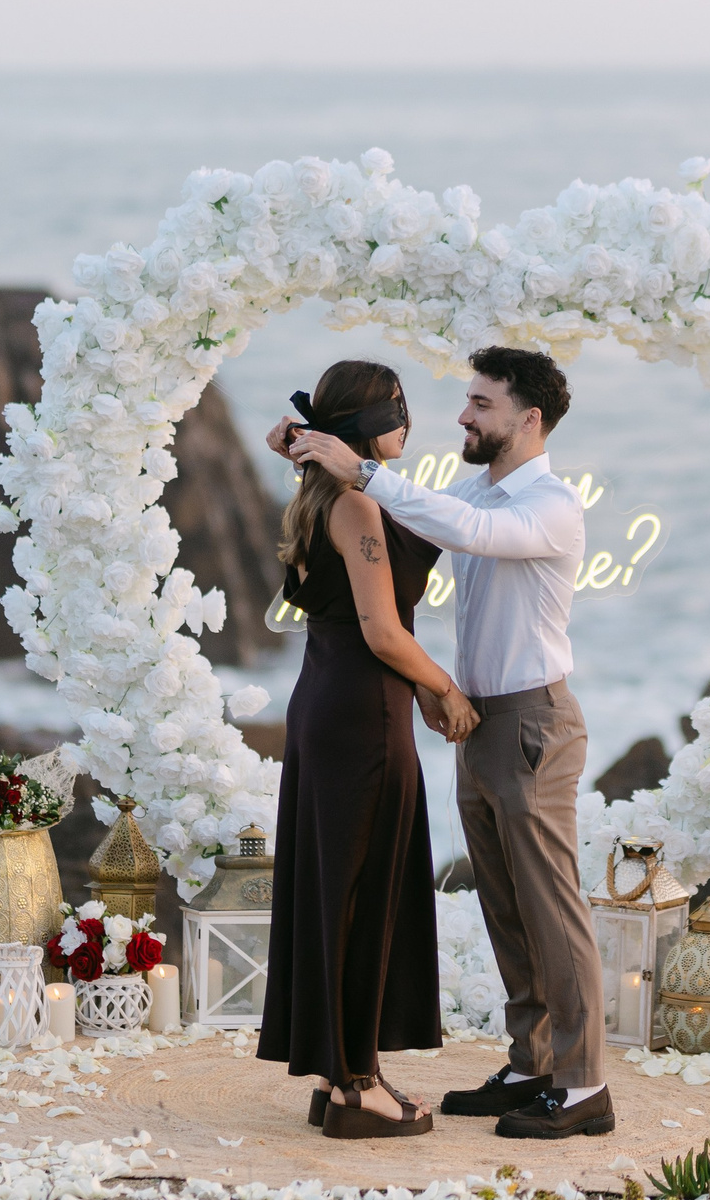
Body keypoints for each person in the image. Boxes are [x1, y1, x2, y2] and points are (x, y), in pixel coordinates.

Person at [279, 346, 614, 1139]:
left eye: (481, 404)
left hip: (532, 721)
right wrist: (309, 448)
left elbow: (463, 529)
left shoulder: (551, 504)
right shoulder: (477, 490)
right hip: (477, 722)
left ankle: (584, 1085)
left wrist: (361, 469)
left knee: (552, 907)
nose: (462, 415)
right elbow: (406, 525)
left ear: (529, 419)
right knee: (507, 906)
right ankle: (531, 1063)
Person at [255, 359, 480, 1140]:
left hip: (324, 700)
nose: (408, 422)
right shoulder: (354, 505)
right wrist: (445, 686)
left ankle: (342, 1073)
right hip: (362, 716)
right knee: (365, 895)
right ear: (359, 426)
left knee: (338, 891)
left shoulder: (319, 496)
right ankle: (357, 1086)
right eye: (393, 410)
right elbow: (383, 631)